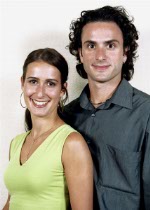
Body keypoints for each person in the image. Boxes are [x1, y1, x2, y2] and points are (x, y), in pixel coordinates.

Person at [61, 5, 150, 210]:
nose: (100, 56)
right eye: (91, 46)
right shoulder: (65, 116)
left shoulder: (146, 114)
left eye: (110, 45)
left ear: (125, 52)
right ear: (80, 53)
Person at [3, 48, 93, 210]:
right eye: (33, 81)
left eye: (50, 83)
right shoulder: (16, 143)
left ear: (62, 90)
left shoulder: (71, 143)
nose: (40, 92)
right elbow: (13, 202)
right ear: (22, 83)